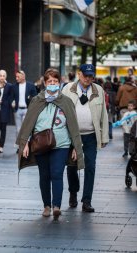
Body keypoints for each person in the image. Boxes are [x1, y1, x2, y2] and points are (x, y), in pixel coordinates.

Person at [16, 68, 84, 219]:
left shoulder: (66, 102)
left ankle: (56, 206)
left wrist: (75, 147)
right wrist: (25, 143)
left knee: (57, 174)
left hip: (62, 144)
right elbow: (28, 124)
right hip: (40, 143)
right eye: (49, 81)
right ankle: (46, 205)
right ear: (44, 83)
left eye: (55, 81)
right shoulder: (36, 100)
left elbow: (73, 125)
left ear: (59, 83)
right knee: (44, 175)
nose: (52, 84)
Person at [62, 63, 109, 212]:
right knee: (71, 166)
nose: (88, 78)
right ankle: (73, 193)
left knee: (90, 167)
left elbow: (104, 114)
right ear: (79, 74)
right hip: (71, 136)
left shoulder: (98, 90)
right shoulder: (68, 89)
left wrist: (104, 137)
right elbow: (61, 111)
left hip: (90, 136)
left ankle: (87, 200)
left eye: (91, 76)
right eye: (86, 75)